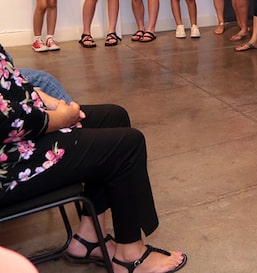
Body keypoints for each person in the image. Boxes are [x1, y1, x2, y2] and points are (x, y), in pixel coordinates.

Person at [0, 45, 187, 273]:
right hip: (9, 163)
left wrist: (49, 102)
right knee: (127, 145)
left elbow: (10, 80)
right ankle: (130, 257)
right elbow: (7, 121)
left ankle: (88, 238)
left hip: (13, 138)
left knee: (113, 116)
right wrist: (59, 118)